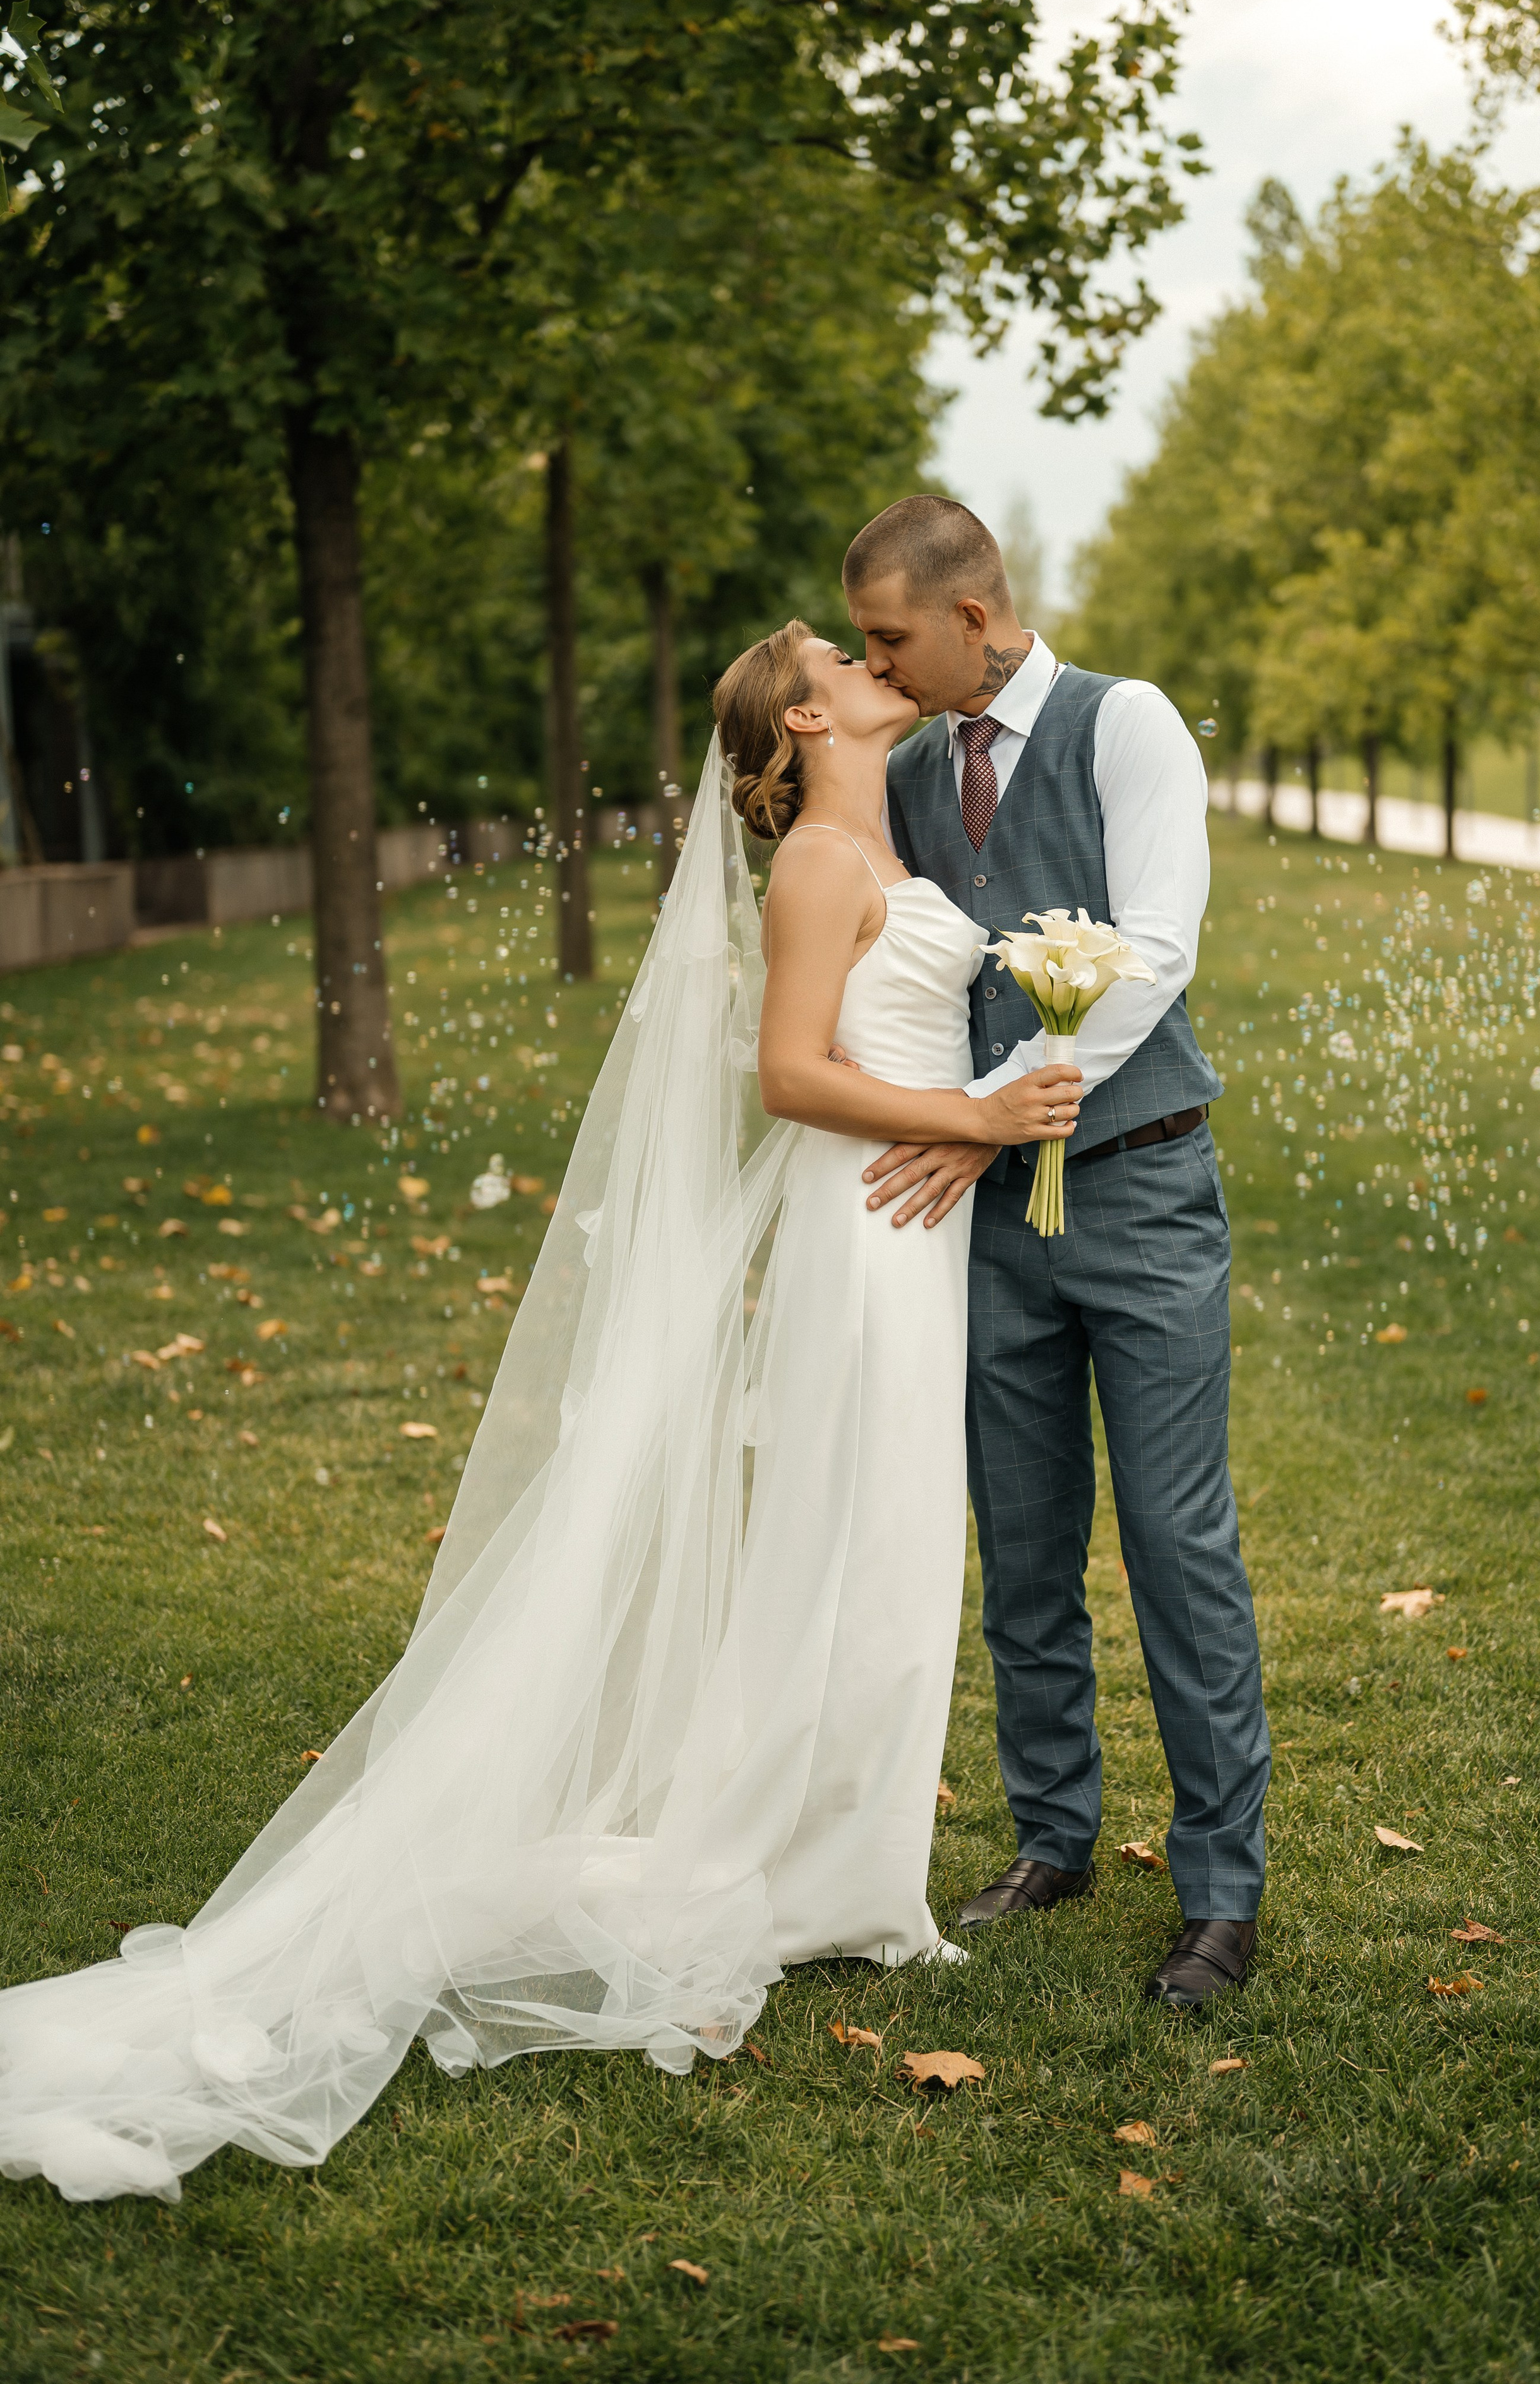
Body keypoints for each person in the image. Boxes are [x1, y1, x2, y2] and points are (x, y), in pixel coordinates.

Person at [0, 623, 1077, 2207]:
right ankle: (807, 1875)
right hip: (867, 1231)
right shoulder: (814, 871)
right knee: (864, 1536)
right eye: (843, 655)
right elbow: (789, 1074)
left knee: (900, 1545)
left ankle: (852, 1873)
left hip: (910, 1230)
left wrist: (981, 1121)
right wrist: (968, 1119)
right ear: (806, 711)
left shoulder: (875, 833)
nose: (871, 659)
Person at [843, 495, 1270, 2009]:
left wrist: (988, 1112)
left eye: (889, 635)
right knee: (1019, 1543)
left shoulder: (1124, 723)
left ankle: (1220, 1890)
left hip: (1139, 1193)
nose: (874, 663)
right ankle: (1051, 1835)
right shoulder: (899, 771)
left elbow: (1153, 948)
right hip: (979, 1228)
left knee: (1173, 1540)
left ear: (970, 615)